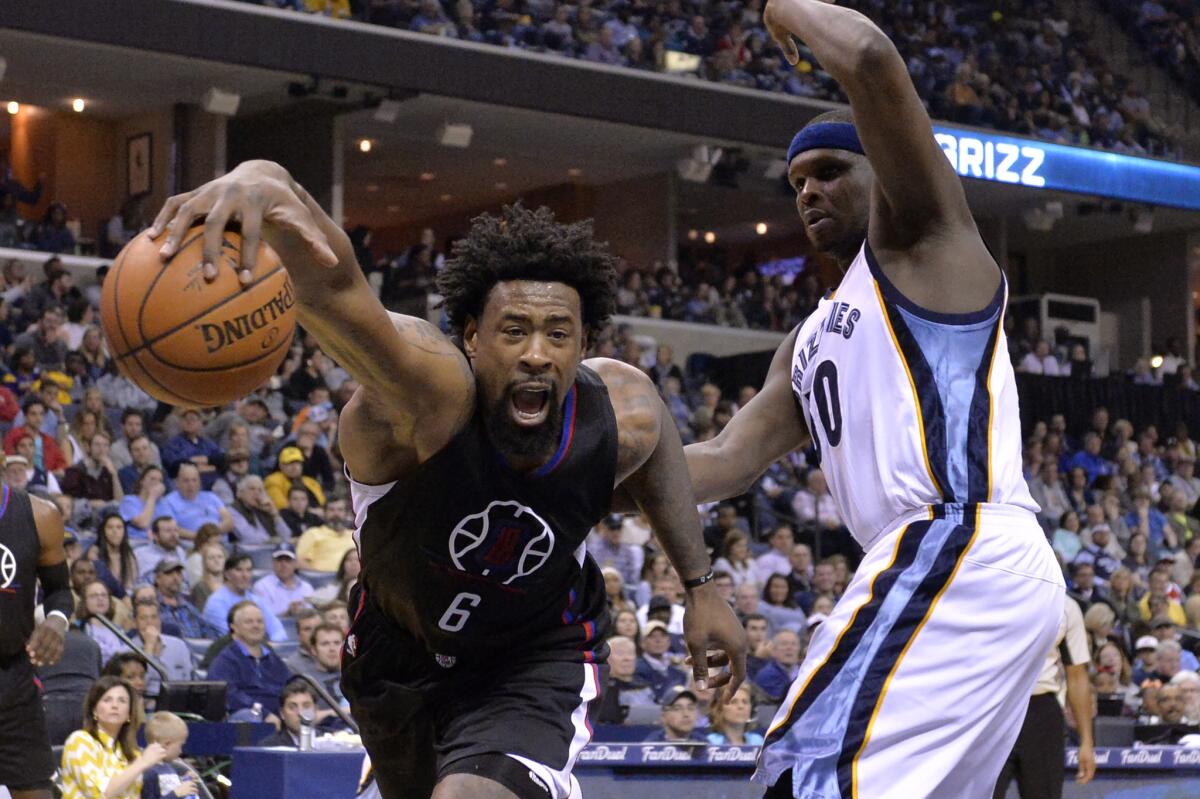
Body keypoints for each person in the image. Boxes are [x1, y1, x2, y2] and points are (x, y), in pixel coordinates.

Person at [151, 169, 746, 798]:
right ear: (470, 337)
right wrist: (268, 183)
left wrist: (701, 586)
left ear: (583, 345)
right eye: (514, 330)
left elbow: (693, 464)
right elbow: (339, 288)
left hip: (534, 656)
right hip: (397, 655)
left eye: (559, 334)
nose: (538, 353)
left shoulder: (622, 414)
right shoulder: (424, 393)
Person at [676, 1, 1065, 794]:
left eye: (829, 171)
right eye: (796, 182)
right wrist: (575, 471)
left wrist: (776, 7)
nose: (809, 190)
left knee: (802, 775)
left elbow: (874, 61)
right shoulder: (812, 334)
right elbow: (720, 462)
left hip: (959, 539)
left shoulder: (926, 244)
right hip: (931, 561)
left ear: (880, 173)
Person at [0, 483, 72, 799]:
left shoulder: (40, 515)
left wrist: (57, 620)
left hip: (13, 675)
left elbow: (60, 590)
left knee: (35, 792)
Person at [993, 597, 1095, 798]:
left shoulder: (1064, 605)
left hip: (1040, 711)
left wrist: (1086, 742)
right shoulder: (989, 591)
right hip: (991, 709)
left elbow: (1076, 677)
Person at [59, 676, 168, 799]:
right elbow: (101, 794)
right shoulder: (79, 741)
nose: (115, 705)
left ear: (129, 713)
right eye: (107, 700)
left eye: (122, 700)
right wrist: (142, 763)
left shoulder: (132, 752)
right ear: (94, 710)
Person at [206, 600, 291, 719]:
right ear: (234, 627)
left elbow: (291, 687)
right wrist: (264, 714)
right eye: (248, 622)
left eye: (260, 621)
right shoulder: (225, 661)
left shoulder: (274, 660)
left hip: (282, 716)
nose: (256, 626)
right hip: (248, 720)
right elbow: (229, 696)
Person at [200, 550, 288, 642]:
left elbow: (277, 630)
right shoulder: (216, 602)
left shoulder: (256, 600)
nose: (245, 575)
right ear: (227, 574)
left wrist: (273, 645)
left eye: (248, 570)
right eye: (239, 570)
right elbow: (232, 636)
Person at [129, 601, 194, 704]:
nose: (149, 622)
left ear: (159, 620)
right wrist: (148, 648)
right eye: (143, 618)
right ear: (134, 622)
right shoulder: (127, 650)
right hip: (146, 706)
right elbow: (139, 686)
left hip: (179, 705)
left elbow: (190, 680)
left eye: (154, 617)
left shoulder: (179, 645)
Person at [157, 463, 233, 541]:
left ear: (200, 482)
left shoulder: (211, 496)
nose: (191, 484)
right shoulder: (168, 502)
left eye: (194, 480)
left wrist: (213, 533)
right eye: (186, 481)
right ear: (177, 483)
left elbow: (229, 521)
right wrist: (200, 537)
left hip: (221, 543)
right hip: (193, 545)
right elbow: (170, 528)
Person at [593, 635, 656, 724]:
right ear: (607, 658)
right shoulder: (598, 689)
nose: (627, 658)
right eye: (620, 653)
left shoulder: (646, 687)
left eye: (630, 653)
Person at [139, 711, 198, 799]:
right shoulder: (149, 772)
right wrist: (176, 794)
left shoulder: (168, 767)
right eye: (180, 745)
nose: (180, 751)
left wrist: (184, 781)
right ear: (167, 744)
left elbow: (169, 789)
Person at [295, 494, 355, 571]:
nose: (336, 514)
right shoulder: (312, 533)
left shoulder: (354, 535)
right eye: (331, 510)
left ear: (346, 514)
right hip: (320, 579)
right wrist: (319, 576)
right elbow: (299, 561)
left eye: (340, 510)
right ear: (324, 513)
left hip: (351, 579)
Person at [253, 543, 314, 618]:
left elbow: (311, 616)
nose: (283, 564)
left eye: (288, 560)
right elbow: (264, 618)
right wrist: (287, 613)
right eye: (279, 560)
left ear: (295, 563)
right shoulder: (262, 586)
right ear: (273, 563)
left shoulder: (306, 587)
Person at [228, 474, 291, 545]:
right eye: (252, 489)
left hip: (271, 549)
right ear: (240, 493)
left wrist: (274, 514)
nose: (257, 493)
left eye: (260, 490)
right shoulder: (233, 510)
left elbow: (286, 536)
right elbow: (247, 536)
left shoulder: (264, 509)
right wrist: (272, 540)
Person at [258, 681, 318, 748]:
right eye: (292, 707)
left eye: (306, 706)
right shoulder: (269, 747)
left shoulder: (330, 740)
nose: (300, 713)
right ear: (282, 713)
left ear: (315, 710)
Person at [264, 446, 326, 510]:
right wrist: (311, 513)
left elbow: (324, 504)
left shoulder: (311, 482)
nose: (294, 467)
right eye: (290, 463)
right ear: (281, 466)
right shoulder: (273, 480)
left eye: (297, 463)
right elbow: (282, 507)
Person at [134, 518, 188, 584]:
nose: (174, 535)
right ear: (155, 535)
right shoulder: (141, 553)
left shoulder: (180, 551)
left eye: (176, 530)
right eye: (168, 531)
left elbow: (185, 580)